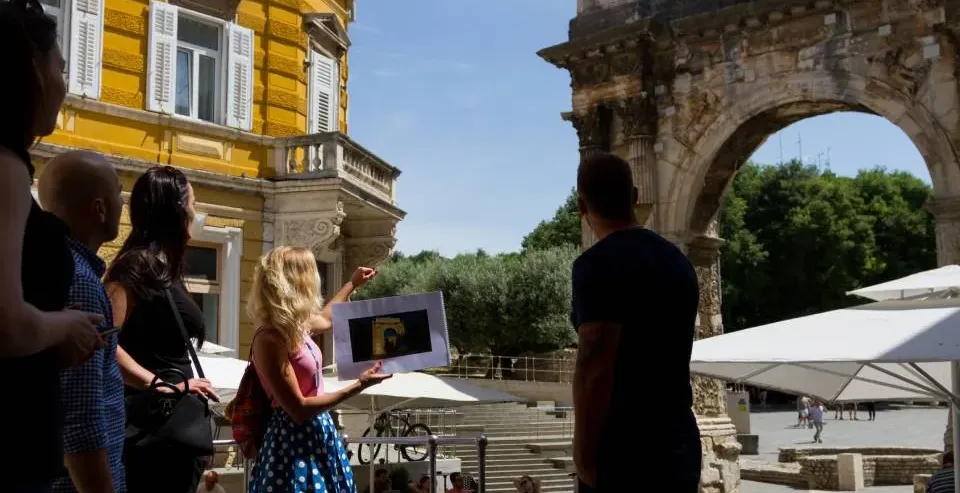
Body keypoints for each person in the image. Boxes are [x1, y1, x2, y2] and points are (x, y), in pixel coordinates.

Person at [0, 2, 105, 491]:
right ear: (32, 72)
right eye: (61, 67)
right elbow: (6, 324)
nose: (66, 85)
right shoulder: (6, 167)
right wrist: (67, 326)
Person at [570, 152, 700, 492]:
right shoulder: (679, 263)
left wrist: (583, 456)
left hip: (626, 447)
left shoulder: (594, 265)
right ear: (635, 196)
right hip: (679, 441)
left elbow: (596, 365)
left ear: (582, 208)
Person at [104, 166, 219, 493]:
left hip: (170, 435)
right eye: (193, 203)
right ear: (177, 209)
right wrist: (158, 384)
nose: (196, 212)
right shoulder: (136, 266)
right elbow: (104, 341)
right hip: (153, 435)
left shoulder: (164, 269)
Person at [247, 247, 391, 493]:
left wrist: (352, 284)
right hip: (292, 440)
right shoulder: (270, 337)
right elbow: (298, 409)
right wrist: (360, 385)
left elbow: (326, 317)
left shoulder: (293, 326)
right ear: (297, 281)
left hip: (316, 432)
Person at [40, 151, 125, 493]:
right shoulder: (81, 284)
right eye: (119, 193)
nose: (124, 203)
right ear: (99, 208)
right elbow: (80, 421)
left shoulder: (57, 270)